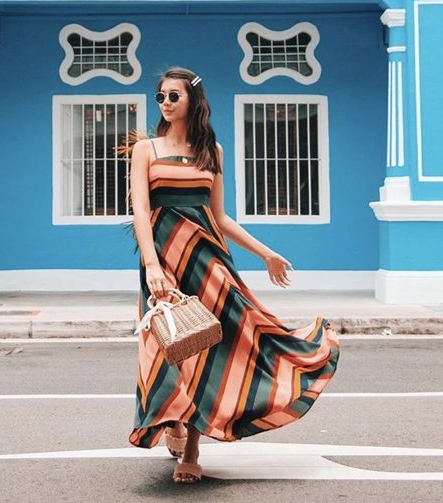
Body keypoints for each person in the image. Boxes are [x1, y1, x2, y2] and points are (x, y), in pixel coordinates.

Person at [128, 67, 340, 484]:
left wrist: (266, 254)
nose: (166, 103)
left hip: (208, 261)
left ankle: (192, 444)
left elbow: (220, 217)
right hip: (163, 263)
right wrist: (152, 265)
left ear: (192, 100)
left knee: (214, 345)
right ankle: (174, 417)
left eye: (173, 96)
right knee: (168, 346)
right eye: (160, 97)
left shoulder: (213, 153)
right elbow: (139, 213)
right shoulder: (146, 150)